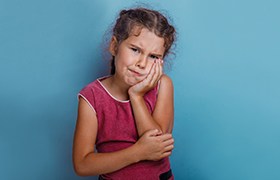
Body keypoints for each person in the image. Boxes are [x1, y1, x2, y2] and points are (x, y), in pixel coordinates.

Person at [72, 7, 176, 180]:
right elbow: (82, 164)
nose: (142, 63)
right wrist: (138, 152)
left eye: (153, 56)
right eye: (135, 50)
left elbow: (158, 146)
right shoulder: (92, 97)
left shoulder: (163, 85)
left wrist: (136, 96)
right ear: (114, 46)